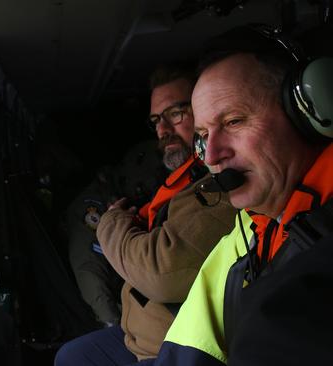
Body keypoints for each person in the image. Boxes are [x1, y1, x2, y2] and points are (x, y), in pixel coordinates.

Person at [150, 25, 333, 365]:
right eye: (203, 135)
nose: (211, 155)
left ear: (307, 113)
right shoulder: (251, 226)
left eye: (234, 121)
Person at [54, 64, 238, 365]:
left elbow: (159, 273)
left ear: (205, 110)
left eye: (175, 114)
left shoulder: (220, 182)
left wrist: (112, 223)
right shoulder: (182, 179)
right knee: (72, 356)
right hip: (136, 334)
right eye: (156, 121)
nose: (163, 131)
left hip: (172, 343)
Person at [65, 139, 166, 326]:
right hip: (111, 311)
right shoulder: (94, 207)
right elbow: (89, 270)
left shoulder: (132, 201)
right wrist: (113, 324)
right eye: (141, 188)